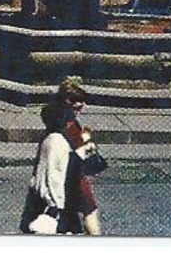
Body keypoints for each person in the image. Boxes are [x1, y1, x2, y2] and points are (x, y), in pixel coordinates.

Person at [20, 98, 81, 234]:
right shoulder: (58, 142)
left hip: (42, 199)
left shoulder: (48, 137)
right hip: (53, 203)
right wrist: (58, 205)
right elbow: (54, 177)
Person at [55, 78, 103, 235]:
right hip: (76, 177)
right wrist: (87, 139)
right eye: (78, 101)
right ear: (68, 101)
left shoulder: (57, 120)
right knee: (90, 210)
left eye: (83, 101)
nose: (82, 105)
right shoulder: (70, 125)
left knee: (69, 218)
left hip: (62, 177)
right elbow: (80, 152)